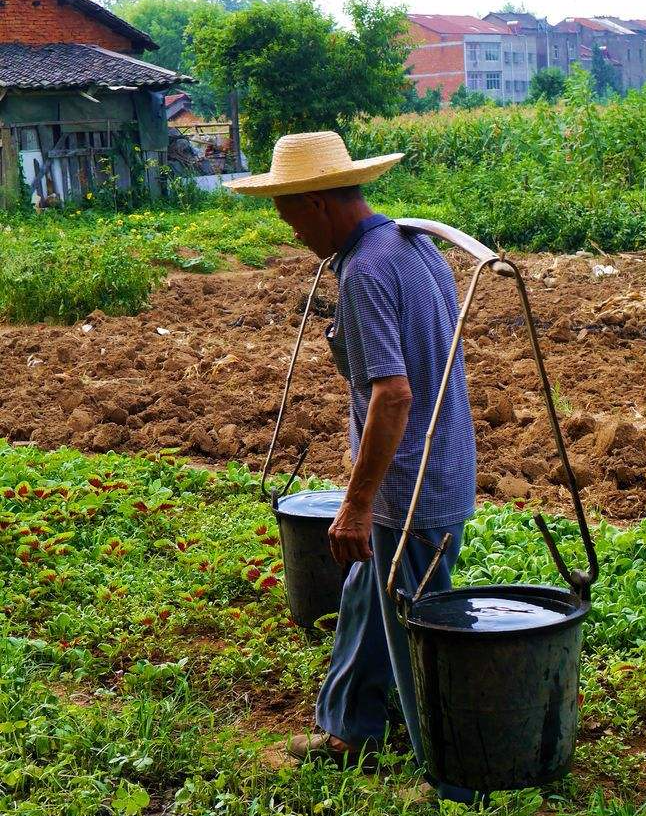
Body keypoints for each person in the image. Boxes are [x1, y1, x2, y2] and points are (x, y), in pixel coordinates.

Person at [226, 132, 477, 801]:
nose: (293, 233)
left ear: (317, 205)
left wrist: (358, 502)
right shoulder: (413, 245)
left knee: (420, 631)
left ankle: (451, 774)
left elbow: (393, 394)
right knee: (368, 601)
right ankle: (349, 730)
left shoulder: (366, 272)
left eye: (290, 217)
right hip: (435, 464)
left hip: (413, 483)